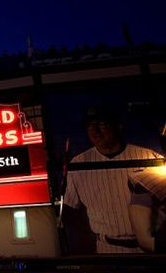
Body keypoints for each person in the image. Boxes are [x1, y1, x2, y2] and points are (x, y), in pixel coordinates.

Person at [63, 106, 162, 254]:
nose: (95, 130)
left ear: (118, 126)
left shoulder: (149, 157)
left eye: (102, 124)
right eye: (90, 126)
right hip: (108, 248)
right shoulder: (78, 164)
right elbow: (72, 211)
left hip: (151, 247)